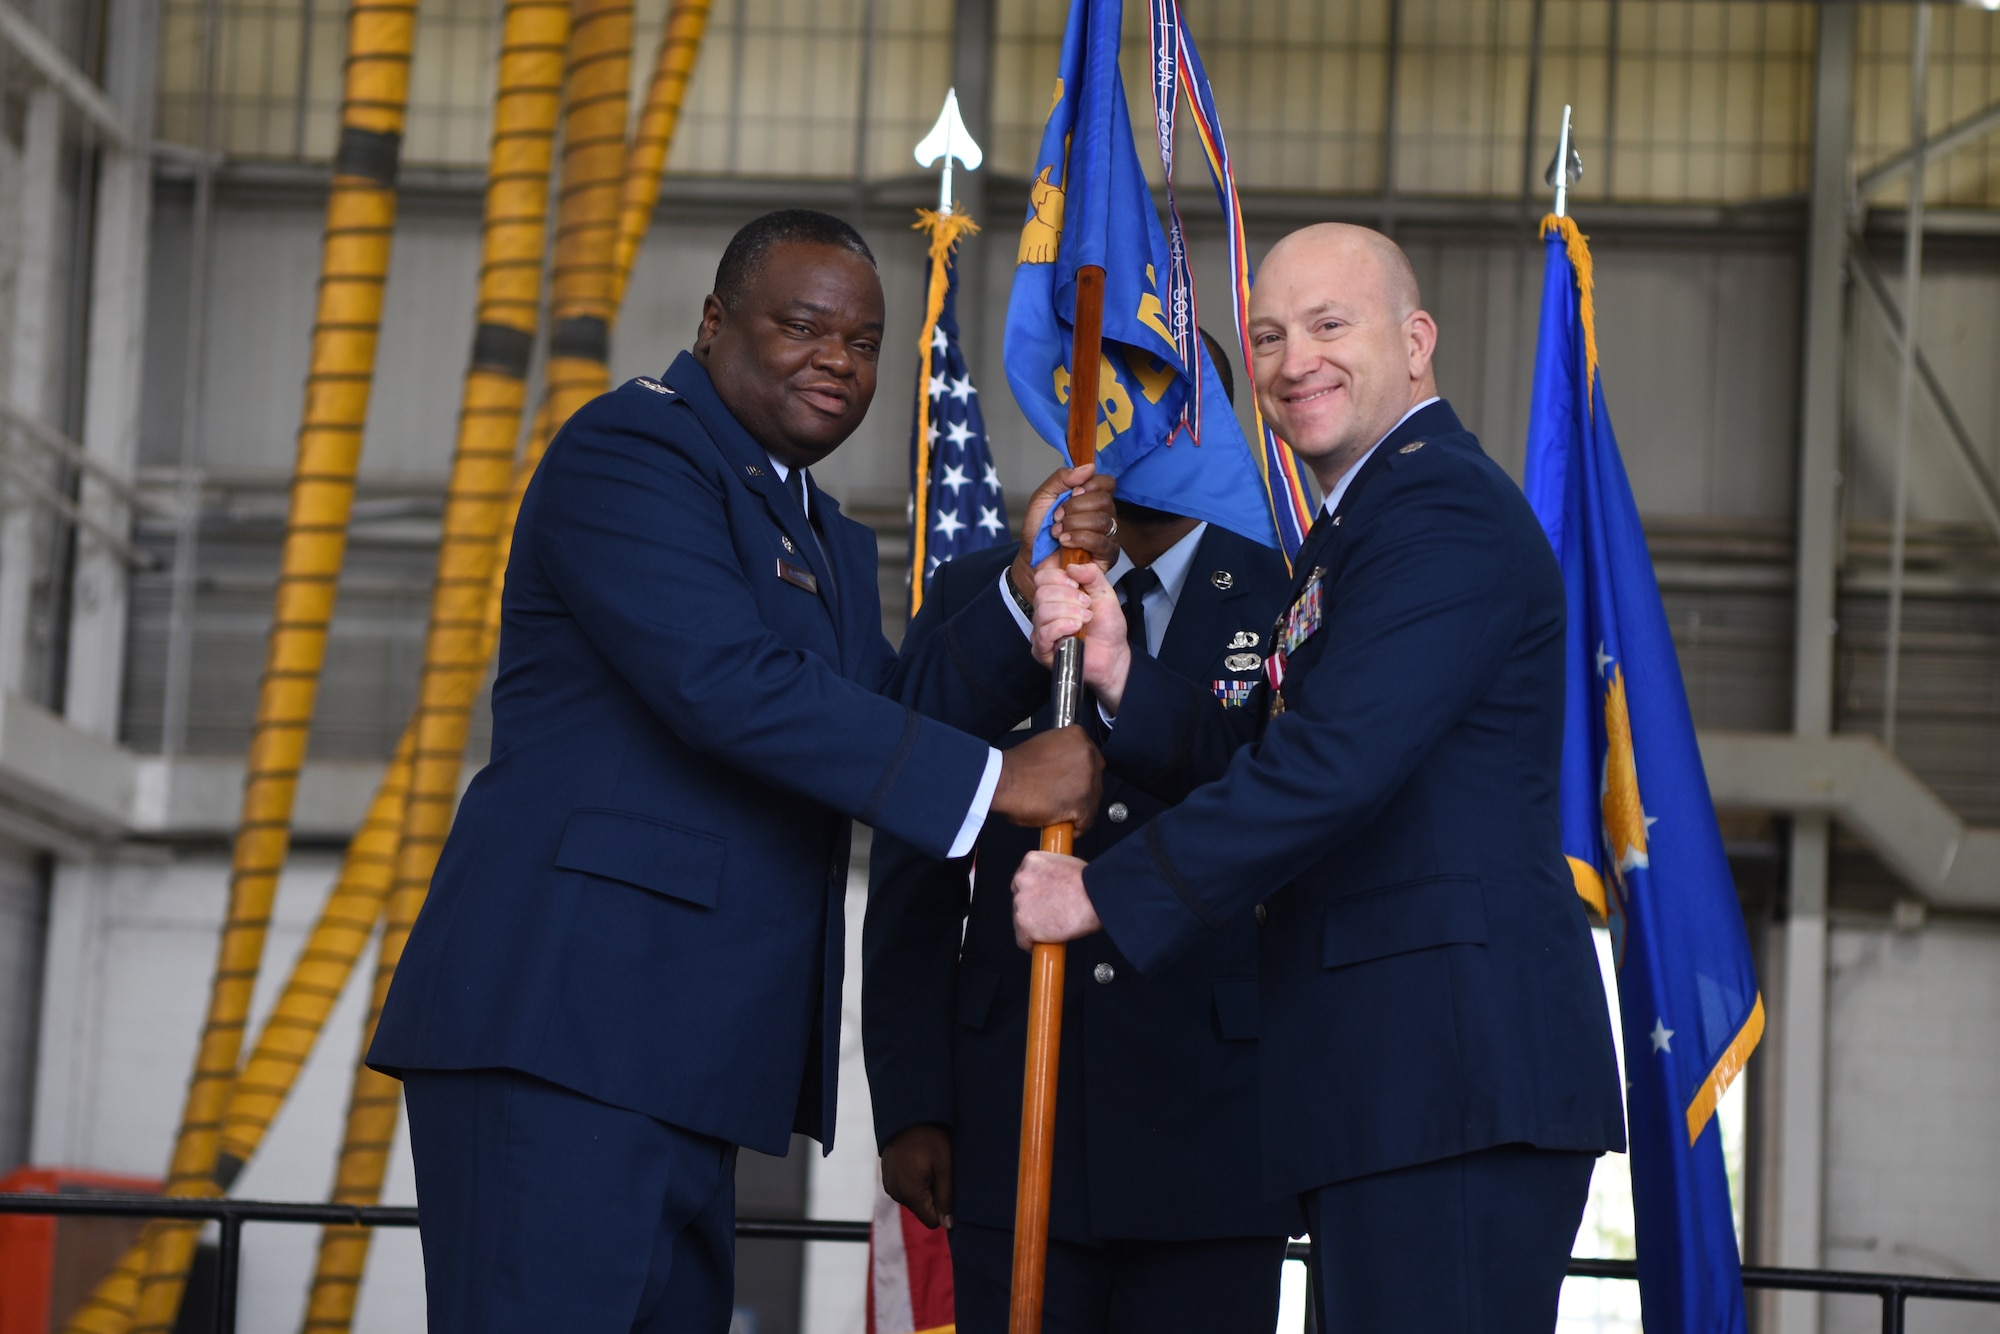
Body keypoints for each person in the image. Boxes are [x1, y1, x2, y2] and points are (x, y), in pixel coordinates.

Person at [369, 209, 1113, 1334]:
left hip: (688, 1050)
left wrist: (1019, 592)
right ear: (715, 321)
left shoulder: (817, 526)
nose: (837, 360)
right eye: (802, 326)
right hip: (566, 1028)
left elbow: (878, 706)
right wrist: (996, 782)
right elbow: (729, 684)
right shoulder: (631, 450)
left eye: (862, 342)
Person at [1013, 223, 1625, 1334]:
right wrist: (1114, 668)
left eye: (1328, 324)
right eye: (1266, 335)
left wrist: (1106, 890)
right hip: (1392, 1084)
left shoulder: (1437, 513)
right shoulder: (1358, 528)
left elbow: (1329, 767)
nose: (1293, 360)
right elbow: (1268, 746)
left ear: (1417, 339)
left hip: (1448, 1080)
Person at [863, 333, 1298, 1334]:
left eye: (1171, 413)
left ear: (1216, 433)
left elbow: (1293, 813)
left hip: (1219, 1116)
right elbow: (912, 842)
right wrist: (913, 1095)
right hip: (1012, 1104)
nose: (1139, 437)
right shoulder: (985, 588)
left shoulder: (1282, 596)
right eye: (1114, 411)